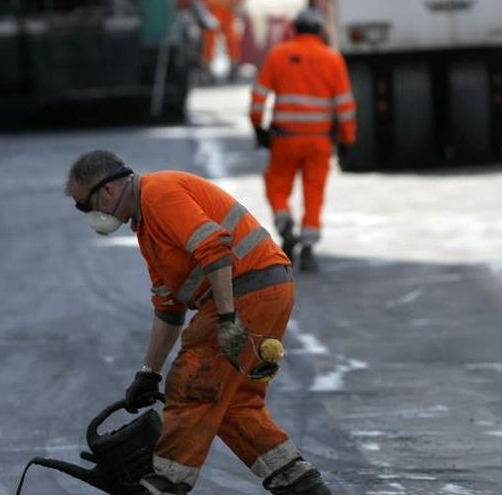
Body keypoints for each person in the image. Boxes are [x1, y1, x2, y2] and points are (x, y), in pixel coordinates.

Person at [65, 150, 333, 495]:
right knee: (233, 402)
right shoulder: (147, 227)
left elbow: (215, 249)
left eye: (85, 206)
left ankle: (166, 483)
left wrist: (227, 318)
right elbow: (168, 307)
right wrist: (148, 373)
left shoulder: (160, 194)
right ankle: (298, 482)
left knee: (192, 382)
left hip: (247, 291)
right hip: (263, 289)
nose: (90, 215)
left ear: (107, 190)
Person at [249, 8, 356, 272]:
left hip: (284, 139)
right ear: (320, 31)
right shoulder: (332, 59)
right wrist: (347, 140)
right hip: (319, 142)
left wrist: (258, 127)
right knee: (314, 193)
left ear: (294, 29)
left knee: (276, 186)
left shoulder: (279, 55)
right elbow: (344, 105)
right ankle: (308, 248)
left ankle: (284, 222)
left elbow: (259, 97)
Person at [201, 0, 243, 82]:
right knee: (209, 39)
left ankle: (234, 65)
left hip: (226, 8)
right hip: (211, 9)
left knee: (231, 39)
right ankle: (206, 67)